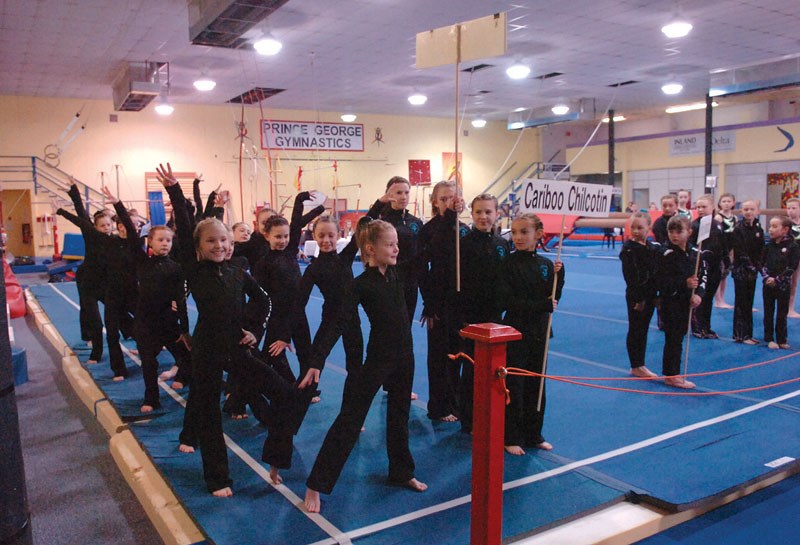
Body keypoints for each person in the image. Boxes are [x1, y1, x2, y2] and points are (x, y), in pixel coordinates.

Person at [157, 163, 310, 496]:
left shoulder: (238, 269)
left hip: (238, 347)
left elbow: (263, 300)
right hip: (208, 349)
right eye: (211, 241)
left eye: (224, 240)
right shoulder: (196, 271)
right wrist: (174, 191)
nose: (220, 246)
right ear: (198, 248)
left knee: (288, 393)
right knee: (209, 412)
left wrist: (254, 330)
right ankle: (218, 477)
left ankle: (275, 456)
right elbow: (185, 230)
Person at [304, 218, 427, 514]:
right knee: (350, 418)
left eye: (397, 243)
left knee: (399, 416)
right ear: (370, 249)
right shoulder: (359, 285)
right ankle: (316, 483)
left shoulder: (397, 273)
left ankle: (401, 471)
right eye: (390, 244)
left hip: (405, 357)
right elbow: (336, 323)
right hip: (378, 360)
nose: (396, 248)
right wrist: (316, 359)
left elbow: (423, 249)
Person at [102, 186, 191, 412]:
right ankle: (151, 397)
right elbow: (132, 234)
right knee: (149, 363)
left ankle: (184, 375)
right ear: (149, 242)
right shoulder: (142, 262)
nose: (164, 244)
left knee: (184, 354)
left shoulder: (176, 268)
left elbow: (181, 298)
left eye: (168, 241)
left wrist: (184, 328)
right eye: (160, 240)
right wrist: (118, 204)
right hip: (145, 322)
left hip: (168, 321)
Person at [498, 213, 564, 454]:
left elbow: (553, 298)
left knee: (537, 386)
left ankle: (534, 433)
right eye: (514, 232)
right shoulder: (508, 263)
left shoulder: (546, 265)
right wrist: (541, 306)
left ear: (538, 234)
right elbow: (508, 300)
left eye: (524, 232)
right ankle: (511, 435)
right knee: (515, 385)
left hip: (541, 331)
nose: (517, 237)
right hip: (517, 331)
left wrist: (561, 275)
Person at [251, 193, 325, 393]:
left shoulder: (291, 251)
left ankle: (305, 388)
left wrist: (301, 202)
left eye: (285, 236)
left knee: (305, 352)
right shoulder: (264, 263)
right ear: (267, 236)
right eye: (278, 237)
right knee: (271, 355)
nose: (283, 240)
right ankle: (240, 398)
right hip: (278, 315)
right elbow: (260, 295)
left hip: (297, 312)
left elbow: (295, 224)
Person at [456, 193, 509, 433]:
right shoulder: (464, 243)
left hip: (495, 315)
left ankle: (490, 412)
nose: (483, 216)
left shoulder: (502, 244)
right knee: (471, 368)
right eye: (478, 212)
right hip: (472, 316)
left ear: (497, 214)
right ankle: (468, 417)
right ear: (471, 213)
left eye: (488, 212)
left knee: (493, 369)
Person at [418, 180, 468, 422]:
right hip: (439, 303)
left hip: (462, 304)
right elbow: (423, 271)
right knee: (439, 358)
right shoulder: (428, 230)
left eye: (454, 198)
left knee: (460, 355)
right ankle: (439, 406)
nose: (449, 202)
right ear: (435, 202)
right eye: (444, 198)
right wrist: (429, 304)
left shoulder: (465, 229)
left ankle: (457, 402)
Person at [297, 215, 363, 397]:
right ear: (314, 237)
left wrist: (381, 204)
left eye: (331, 235)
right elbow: (300, 301)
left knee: (355, 365)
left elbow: (363, 227)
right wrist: (285, 334)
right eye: (321, 236)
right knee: (315, 360)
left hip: (351, 318)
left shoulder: (346, 257)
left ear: (338, 235)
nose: (326, 240)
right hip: (330, 319)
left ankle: (352, 414)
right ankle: (304, 396)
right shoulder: (314, 269)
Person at [55, 182, 110, 364]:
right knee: (93, 317)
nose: (106, 228)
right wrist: (73, 193)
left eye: (109, 225)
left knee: (119, 314)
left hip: (103, 283)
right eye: (102, 226)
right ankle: (96, 352)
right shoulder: (91, 235)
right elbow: (81, 215)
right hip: (87, 282)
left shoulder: (115, 241)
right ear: (95, 227)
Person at [656, 215, 705, 389]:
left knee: (680, 335)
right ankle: (671, 374)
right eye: (671, 231)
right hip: (671, 301)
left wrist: (698, 293)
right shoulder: (665, 253)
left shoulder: (695, 253)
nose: (674, 235)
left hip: (687, 302)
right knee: (673, 338)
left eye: (679, 231)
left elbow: (701, 276)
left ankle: (674, 371)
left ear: (689, 232)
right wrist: (684, 284)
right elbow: (662, 281)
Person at [619, 212, 660, 378]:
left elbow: (655, 272)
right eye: (633, 227)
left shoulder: (650, 247)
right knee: (636, 329)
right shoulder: (629, 249)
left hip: (650, 293)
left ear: (648, 228)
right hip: (637, 295)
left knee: (643, 329)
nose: (635, 231)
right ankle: (636, 365)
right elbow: (631, 277)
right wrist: (638, 299)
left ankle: (639, 363)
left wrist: (656, 294)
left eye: (640, 228)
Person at [690, 195, 728, 339]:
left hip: (715, 266)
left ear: (712, 207)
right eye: (698, 207)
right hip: (701, 267)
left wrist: (726, 261)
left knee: (709, 297)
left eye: (703, 207)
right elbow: (691, 247)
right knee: (701, 296)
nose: (700, 210)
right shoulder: (694, 226)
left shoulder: (718, 225)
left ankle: (706, 326)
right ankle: (697, 327)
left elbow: (723, 244)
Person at [761, 216, 800, 349]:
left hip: (783, 284)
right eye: (770, 226)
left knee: (782, 312)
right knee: (768, 311)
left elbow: (792, 266)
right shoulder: (768, 245)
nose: (770, 229)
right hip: (768, 283)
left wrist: (778, 279)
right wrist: (766, 277)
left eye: (774, 226)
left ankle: (782, 338)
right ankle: (769, 338)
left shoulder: (793, 246)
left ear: (785, 230)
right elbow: (762, 263)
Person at [730, 200, 764, 344]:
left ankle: (748, 334)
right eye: (745, 209)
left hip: (753, 270)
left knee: (749, 302)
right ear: (741, 211)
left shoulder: (758, 228)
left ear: (757, 211)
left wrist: (760, 266)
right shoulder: (738, 229)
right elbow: (740, 250)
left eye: (751, 209)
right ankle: (740, 334)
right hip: (741, 269)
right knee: (741, 302)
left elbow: (761, 249)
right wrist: (751, 265)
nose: (748, 212)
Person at [713, 193, 737, 309]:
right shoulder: (718, 217)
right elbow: (717, 236)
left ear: (733, 203)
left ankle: (722, 297)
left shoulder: (735, 218)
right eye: (724, 201)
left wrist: (732, 251)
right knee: (719, 274)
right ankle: (717, 300)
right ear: (719, 204)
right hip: (721, 249)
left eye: (729, 201)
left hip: (731, 249)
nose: (726, 204)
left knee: (725, 274)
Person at [785, 198, 800, 318]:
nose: (790, 211)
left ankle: (791, 307)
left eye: (794, 208)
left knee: (794, 282)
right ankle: (784, 307)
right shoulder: (785, 224)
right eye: (788, 208)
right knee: (786, 282)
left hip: (798, 257)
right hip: (786, 257)